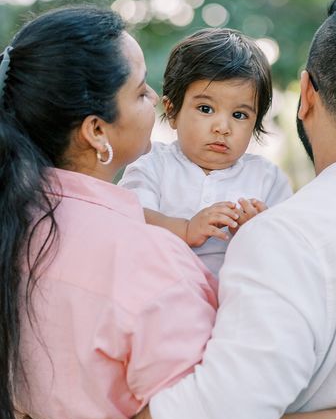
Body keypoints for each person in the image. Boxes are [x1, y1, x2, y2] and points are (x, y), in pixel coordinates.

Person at [0, 0, 336, 419]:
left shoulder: (25, 225)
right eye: (141, 92)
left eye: (241, 114)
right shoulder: (145, 249)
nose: (153, 100)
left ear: (304, 94)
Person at [119, 28, 291, 277]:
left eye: (239, 115)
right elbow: (132, 220)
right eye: (206, 108)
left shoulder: (267, 178)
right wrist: (186, 229)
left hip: (235, 301)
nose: (222, 127)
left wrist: (258, 231)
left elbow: (288, 246)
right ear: (172, 111)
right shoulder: (152, 165)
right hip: (164, 293)